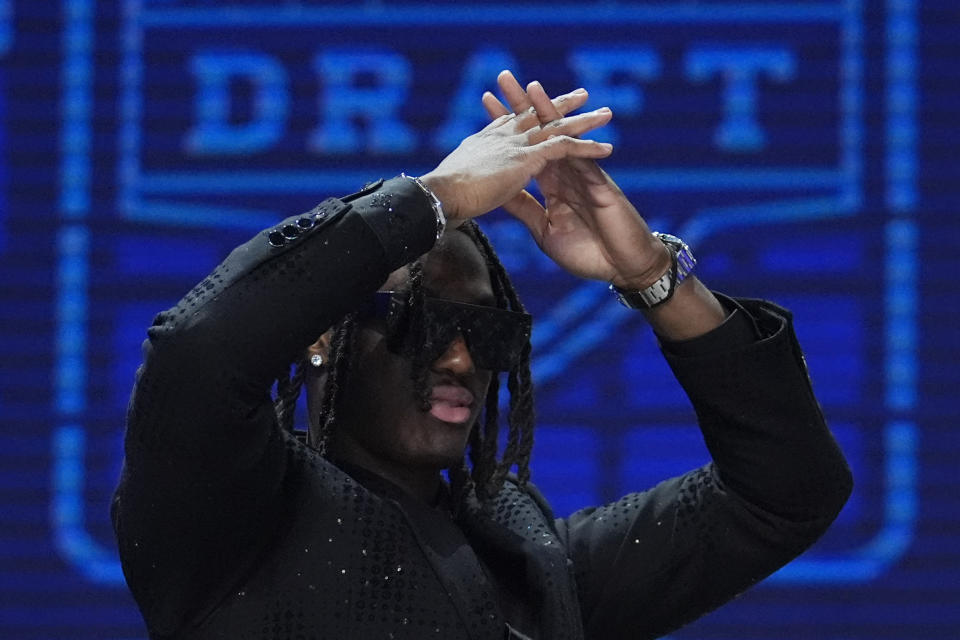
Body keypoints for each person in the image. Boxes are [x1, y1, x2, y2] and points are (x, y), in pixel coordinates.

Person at [112, 71, 852, 640]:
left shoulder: (537, 568)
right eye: (424, 323)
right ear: (321, 335)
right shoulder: (227, 516)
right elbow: (195, 354)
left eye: (489, 334)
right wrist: (433, 198)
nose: (462, 362)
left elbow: (787, 489)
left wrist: (652, 279)